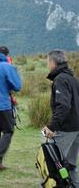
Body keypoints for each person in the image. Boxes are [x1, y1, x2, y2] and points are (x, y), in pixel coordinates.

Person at [42, 50, 79, 186]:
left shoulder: (60, 79)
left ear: (53, 62)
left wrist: (52, 126)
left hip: (66, 129)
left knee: (55, 162)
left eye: (48, 62)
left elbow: (63, 106)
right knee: (71, 164)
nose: (47, 65)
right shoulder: (73, 79)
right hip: (76, 128)